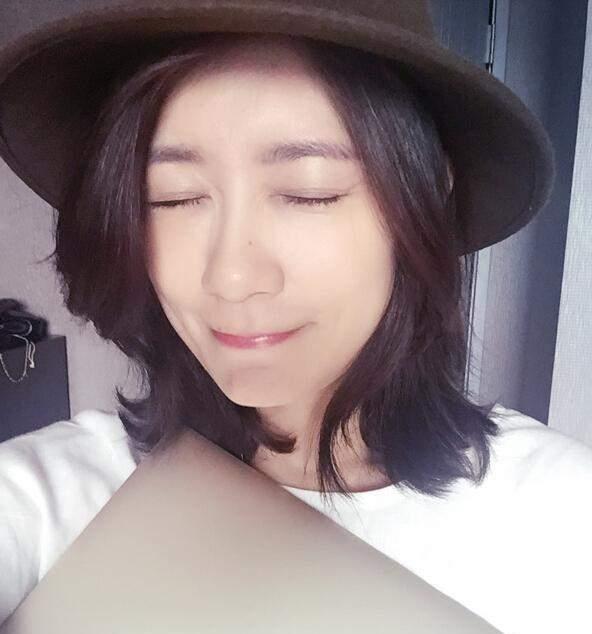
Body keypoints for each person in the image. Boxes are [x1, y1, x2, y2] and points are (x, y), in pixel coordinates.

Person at [0, 2, 590, 633]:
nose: (231, 276)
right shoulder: (56, 495)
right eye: (172, 198)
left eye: (310, 192)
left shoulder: (563, 515)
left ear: (424, 197)